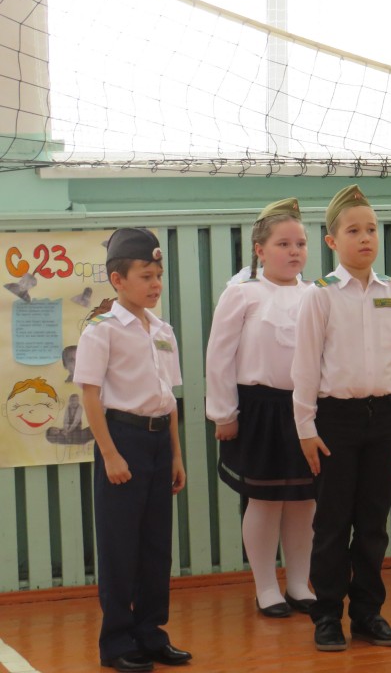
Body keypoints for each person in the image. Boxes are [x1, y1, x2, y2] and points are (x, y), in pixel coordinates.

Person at [291, 184, 391, 652]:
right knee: (332, 523)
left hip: (383, 419)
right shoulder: (320, 296)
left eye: (371, 229)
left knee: (372, 523)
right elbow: (305, 368)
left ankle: (368, 613)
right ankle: (327, 615)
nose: (365, 238)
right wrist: (305, 428)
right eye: (353, 231)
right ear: (332, 241)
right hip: (336, 421)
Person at [74, 228, 191, 672]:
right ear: (118, 280)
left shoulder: (162, 330)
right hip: (122, 439)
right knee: (120, 546)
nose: (155, 283)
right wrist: (110, 454)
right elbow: (90, 395)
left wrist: (176, 455)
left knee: (156, 545)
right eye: (146, 276)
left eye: (158, 275)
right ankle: (117, 641)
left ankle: (151, 633)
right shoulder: (102, 330)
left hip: (159, 441)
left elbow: (169, 398)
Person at [205, 197, 317, 619]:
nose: (294, 252)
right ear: (260, 250)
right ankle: (266, 586)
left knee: (304, 500)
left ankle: (299, 582)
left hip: (305, 409)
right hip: (259, 410)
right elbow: (219, 356)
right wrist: (224, 413)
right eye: (283, 244)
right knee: (266, 500)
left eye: (300, 244)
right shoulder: (242, 294)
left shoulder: (315, 294)